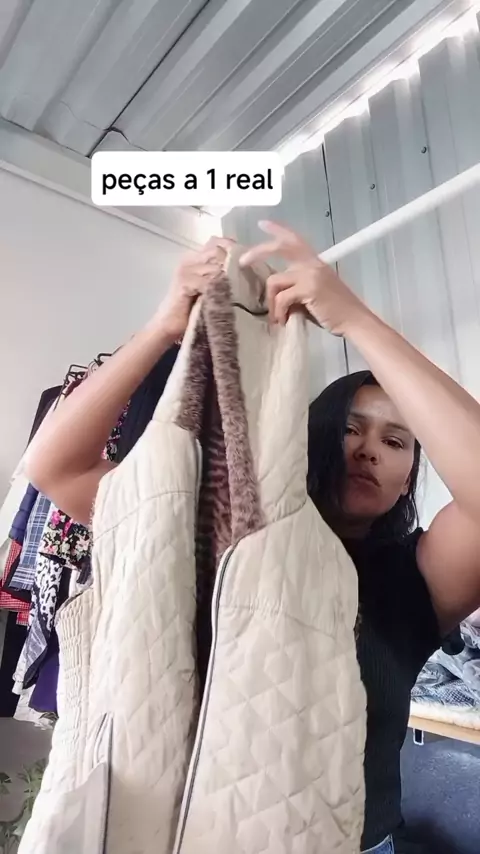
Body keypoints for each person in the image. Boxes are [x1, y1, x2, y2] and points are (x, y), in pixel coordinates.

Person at [25, 223, 480, 854]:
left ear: (409, 478)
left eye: (395, 441)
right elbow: (55, 468)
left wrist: (357, 321)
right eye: (351, 428)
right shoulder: (219, 529)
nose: (369, 450)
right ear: (310, 435)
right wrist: (162, 328)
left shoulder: (418, 577)